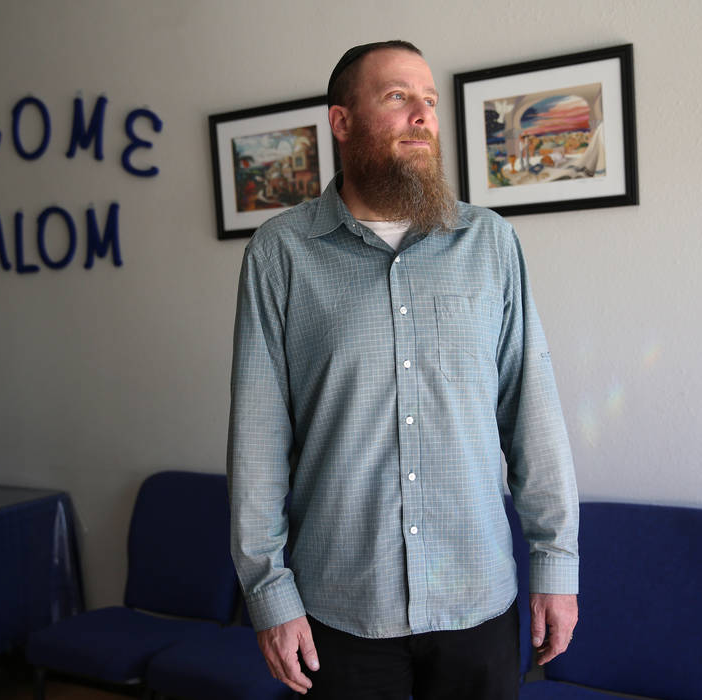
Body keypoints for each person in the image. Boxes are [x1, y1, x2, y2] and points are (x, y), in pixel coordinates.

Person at [227, 40, 579, 699]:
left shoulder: (490, 243)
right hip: (340, 608)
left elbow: (532, 413)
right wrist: (268, 592)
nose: (422, 114)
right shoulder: (282, 254)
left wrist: (557, 566)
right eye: (396, 98)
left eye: (429, 100)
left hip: (478, 599)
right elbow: (256, 440)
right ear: (341, 121)